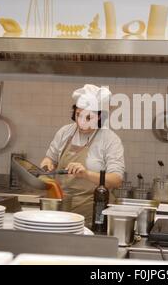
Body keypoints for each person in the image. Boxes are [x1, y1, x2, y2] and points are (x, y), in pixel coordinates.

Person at [40, 84, 125, 227]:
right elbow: (49, 158)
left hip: (93, 216)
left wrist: (86, 174)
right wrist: (46, 165)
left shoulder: (110, 139)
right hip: (61, 212)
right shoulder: (65, 132)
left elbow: (116, 180)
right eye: (78, 115)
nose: (81, 122)